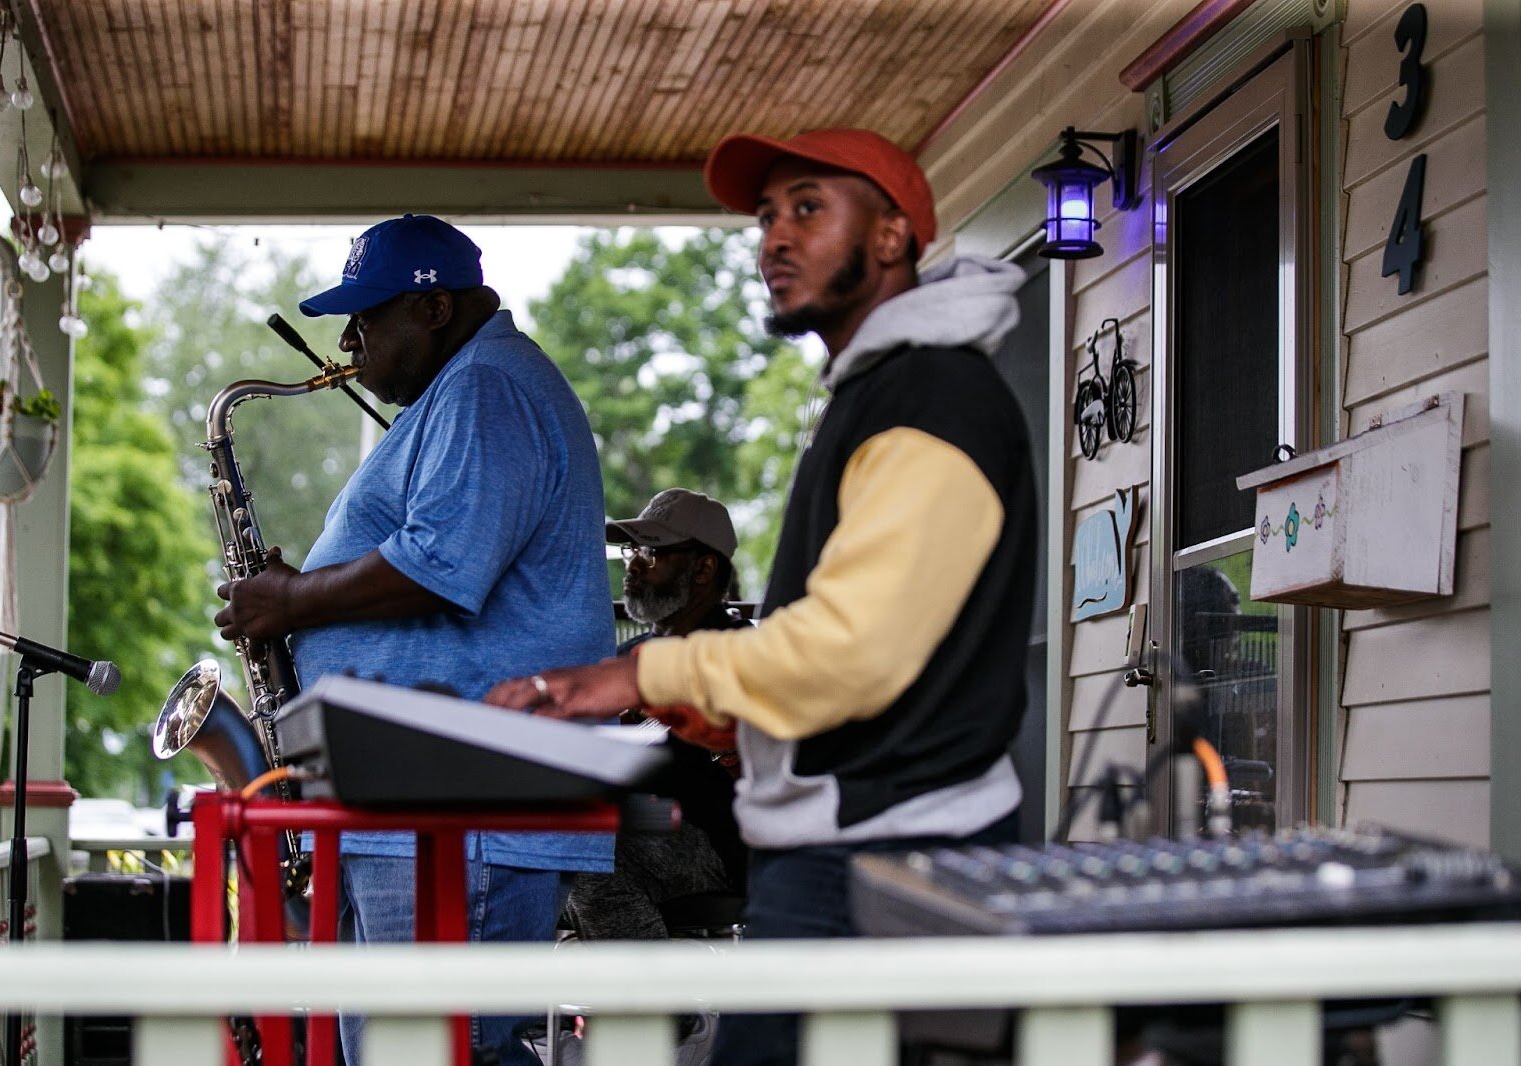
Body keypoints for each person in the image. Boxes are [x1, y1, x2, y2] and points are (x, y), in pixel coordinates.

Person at [486, 128, 1035, 1065]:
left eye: (810, 208)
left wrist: (634, 675)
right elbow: (895, 654)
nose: (775, 238)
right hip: (858, 843)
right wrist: (749, 725)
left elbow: (853, 652)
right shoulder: (884, 391)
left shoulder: (932, 397)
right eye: (767, 216)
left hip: (886, 857)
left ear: (896, 235)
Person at [214, 213, 615, 1066]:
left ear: (433, 310)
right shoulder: (468, 390)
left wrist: (292, 600)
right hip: (419, 808)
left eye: (369, 317)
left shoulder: (487, 388)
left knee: (439, 1050)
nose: (353, 339)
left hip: (458, 812)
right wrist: (309, 592)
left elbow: (439, 567)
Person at [562, 488, 750, 941]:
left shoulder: (737, 651)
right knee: (537, 847)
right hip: (635, 826)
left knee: (593, 859)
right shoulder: (625, 659)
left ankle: (657, 1011)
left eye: (651, 552)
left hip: (717, 845)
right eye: (631, 550)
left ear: (703, 568)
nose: (632, 563)